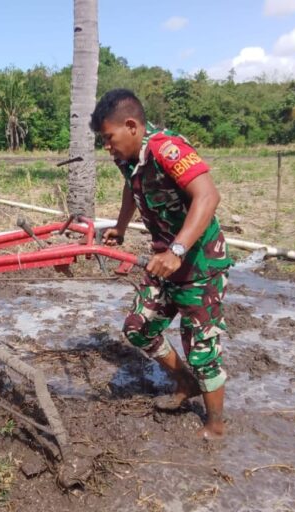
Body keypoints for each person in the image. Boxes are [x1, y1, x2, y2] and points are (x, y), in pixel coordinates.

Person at [90, 89, 232, 439]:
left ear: (132, 125)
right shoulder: (128, 158)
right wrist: (120, 228)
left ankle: (215, 425)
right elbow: (131, 188)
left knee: (201, 349)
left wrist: (178, 251)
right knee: (139, 327)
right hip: (164, 259)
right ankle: (184, 382)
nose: (106, 146)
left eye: (109, 138)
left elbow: (208, 195)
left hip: (198, 263)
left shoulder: (167, 148)